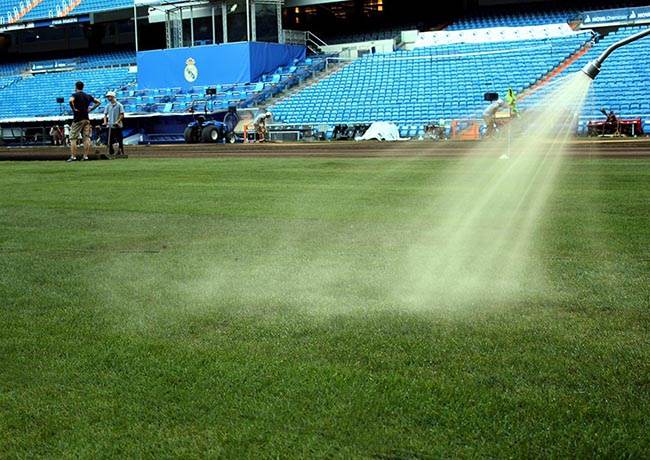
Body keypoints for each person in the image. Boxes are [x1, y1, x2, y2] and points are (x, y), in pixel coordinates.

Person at [67, 81, 100, 162]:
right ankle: (85, 156)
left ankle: (73, 156)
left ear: (75, 87)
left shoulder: (74, 95)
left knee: (73, 138)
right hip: (86, 118)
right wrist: (91, 109)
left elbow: (70, 101)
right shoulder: (87, 96)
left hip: (78, 119)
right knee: (86, 138)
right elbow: (98, 102)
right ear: (83, 87)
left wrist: (73, 108)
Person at [102, 91, 125, 156]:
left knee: (120, 139)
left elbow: (122, 114)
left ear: (113, 97)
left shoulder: (119, 105)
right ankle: (111, 151)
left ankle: (121, 151)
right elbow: (105, 115)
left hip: (118, 125)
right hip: (110, 125)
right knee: (109, 139)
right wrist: (105, 122)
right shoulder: (107, 106)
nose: (108, 98)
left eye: (109, 96)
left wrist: (117, 121)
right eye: (108, 97)